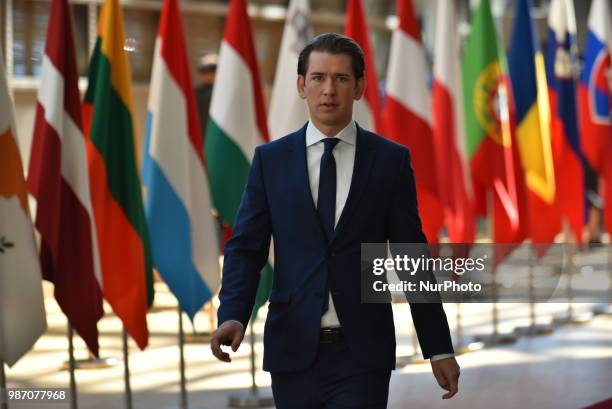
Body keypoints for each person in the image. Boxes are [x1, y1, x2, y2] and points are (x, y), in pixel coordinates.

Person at [210, 33, 460, 408]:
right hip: (293, 350)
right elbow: (246, 248)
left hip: (363, 353)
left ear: (359, 87)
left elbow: (412, 257)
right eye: (318, 78)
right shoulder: (270, 161)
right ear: (301, 86)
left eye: (341, 79)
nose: (329, 89)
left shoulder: (390, 161)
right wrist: (232, 314)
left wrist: (438, 345)